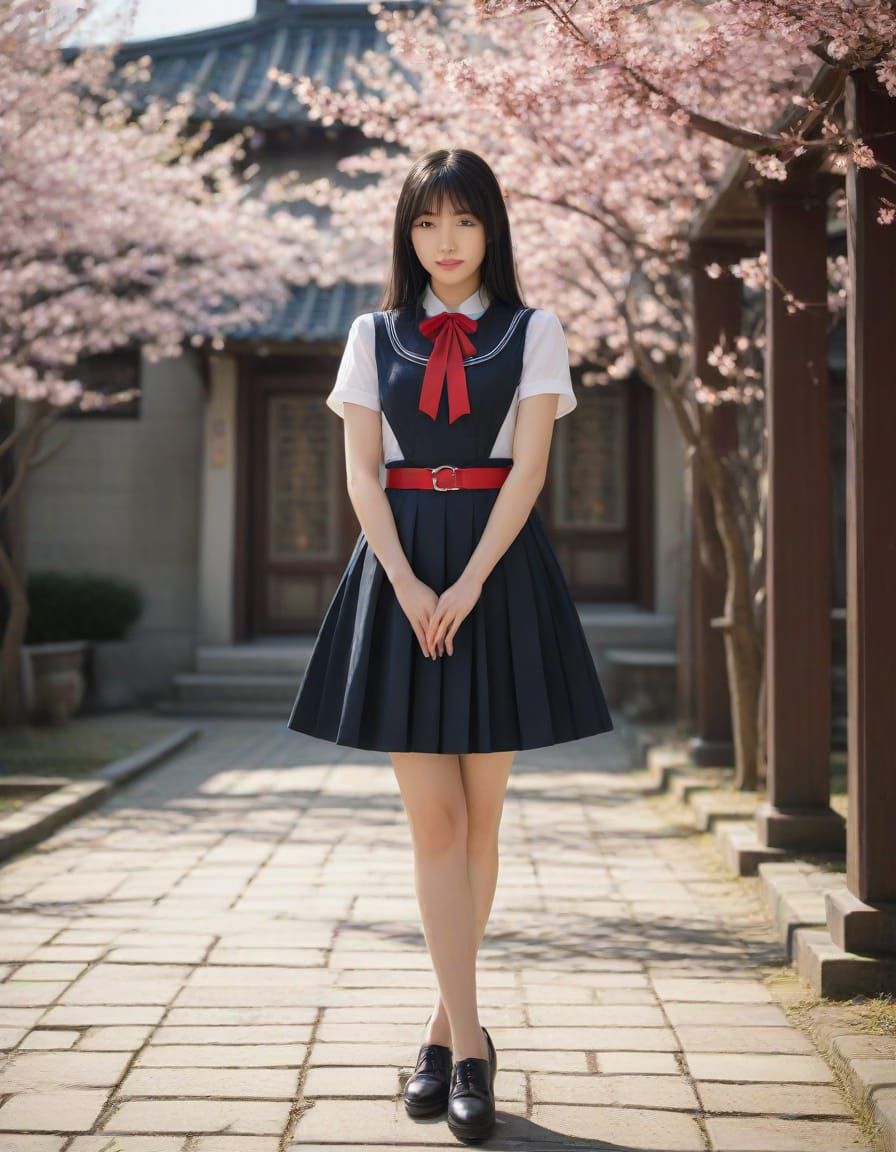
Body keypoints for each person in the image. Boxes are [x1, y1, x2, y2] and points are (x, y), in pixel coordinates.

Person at [287, 148, 613, 1143]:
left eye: (463, 222)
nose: (446, 243)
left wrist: (468, 583)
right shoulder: (369, 334)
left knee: (481, 820)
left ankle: (439, 1035)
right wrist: (405, 580)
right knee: (433, 829)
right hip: (398, 573)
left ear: (491, 230)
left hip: (497, 570)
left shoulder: (533, 330)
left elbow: (526, 471)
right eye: (427, 224)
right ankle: (470, 1050)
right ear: (406, 234)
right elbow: (358, 476)